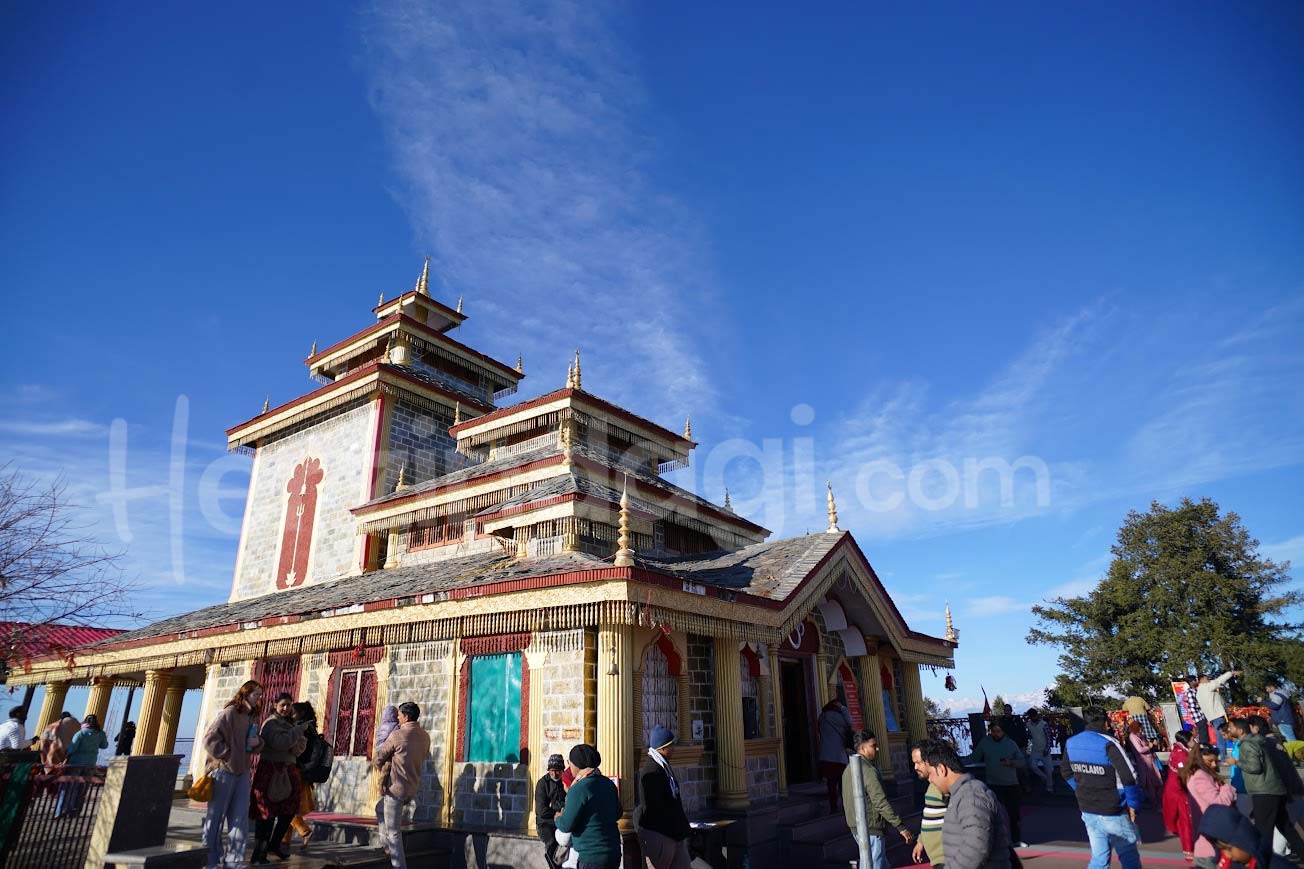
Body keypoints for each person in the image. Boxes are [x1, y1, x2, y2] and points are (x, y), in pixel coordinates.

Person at [1062, 706, 1143, 869]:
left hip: (1087, 808)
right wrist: (1133, 804)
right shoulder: (1109, 743)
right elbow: (1129, 776)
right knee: (1128, 856)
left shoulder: (1071, 743)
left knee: (1099, 858)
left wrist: (1080, 789)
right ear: (1105, 722)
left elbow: (1065, 772)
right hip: (1112, 808)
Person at [202, 679, 263, 869]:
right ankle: (210, 859)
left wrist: (257, 744)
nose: (258, 698)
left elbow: (254, 743)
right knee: (215, 818)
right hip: (223, 771)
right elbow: (209, 739)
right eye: (256, 694)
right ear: (245, 694)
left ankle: (234, 860)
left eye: (260, 695)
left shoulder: (252, 717)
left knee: (239, 818)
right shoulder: (229, 713)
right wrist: (227, 755)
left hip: (242, 772)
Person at [922, 741, 1011, 869]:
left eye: (930, 773)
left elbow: (976, 847)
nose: (930, 780)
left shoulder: (971, 795)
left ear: (941, 769)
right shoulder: (960, 794)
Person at [1226, 717, 1304, 862]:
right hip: (1274, 789)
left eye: (1231, 727)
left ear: (1240, 730)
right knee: (1285, 827)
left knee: (1263, 831)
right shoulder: (1260, 741)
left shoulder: (1247, 744)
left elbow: (1255, 767)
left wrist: (1236, 762)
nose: (1229, 730)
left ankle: (1262, 861)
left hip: (1264, 791)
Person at [841, 730, 913, 869]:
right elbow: (880, 802)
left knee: (878, 862)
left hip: (857, 824)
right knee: (874, 863)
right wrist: (900, 826)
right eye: (873, 746)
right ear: (863, 748)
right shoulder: (868, 770)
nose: (877, 749)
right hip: (870, 826)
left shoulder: (848, 768)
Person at [249, 692, 307, 863]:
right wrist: (296, 733)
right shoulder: (270, 724)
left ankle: (275, 843)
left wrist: (294, 737)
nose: (286, 708)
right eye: (283, 705)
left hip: (288, 770)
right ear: (275, 705)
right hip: (271, 771)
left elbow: (298, 748)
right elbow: (281, 744)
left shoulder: (289, 724)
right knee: (266, 812)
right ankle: (259, 852)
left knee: (289, 810)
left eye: (288, 705)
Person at [373, 701, 431, 869]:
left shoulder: (397, 735)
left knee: (393, 833)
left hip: (395, 789)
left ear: (406, 716)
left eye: (399, 714)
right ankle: (386, 847)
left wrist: (379, 762)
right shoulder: (425, 736)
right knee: (379, 809)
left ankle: (399, 865)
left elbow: (379, 758)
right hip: (412, 787)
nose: (398, 717)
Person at [554, 743, 622, 869]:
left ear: (577, 764)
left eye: (570, 762)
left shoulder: (579, 789)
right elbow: (618, 813)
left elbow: (566, 825)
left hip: (591, 855)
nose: (569, 766)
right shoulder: (608, 784)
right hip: (613, 852)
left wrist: (558, 818)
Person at [634, 726, 690, 869]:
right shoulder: (652, 771)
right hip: (660, 834)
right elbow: (654, 806)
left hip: (674, 833)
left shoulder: (664, 766)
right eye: (671, 745)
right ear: (663, 747)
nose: (673, 749)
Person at [969, 722, 1026, 848]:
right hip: (993, 784)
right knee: (994, 815)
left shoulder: (1011, 744)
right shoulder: (985, 743)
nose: (995, 734)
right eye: (993, 731)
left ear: (1003, 732)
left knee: (1014, 814)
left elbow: (1022, 761)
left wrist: (1011, 762)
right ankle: (996, 841)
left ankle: (1016, 840)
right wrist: (956, 762)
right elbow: (974, 757)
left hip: (1011, 784)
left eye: (998, 731)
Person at [1184, 743, 1237, 869]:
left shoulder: (1201, 774)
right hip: (1210, 844)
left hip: (1211, 839)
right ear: (1199, 759)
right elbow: (1219, 804)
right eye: (1210, 761)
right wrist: (1227, 788)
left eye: (1216, 761)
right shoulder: (1200, 777)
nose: (1214, 764)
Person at [1198, 804, 1295, 869]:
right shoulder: (1232, 864)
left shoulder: (1277, 865)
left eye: (1229, 849)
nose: (1227, 855)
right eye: (1222, 849)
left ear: (1243, 841)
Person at [55, 713, 108, 817]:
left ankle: (60, 811)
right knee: (82, 789)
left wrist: (64, 753)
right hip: (90, 764)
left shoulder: (80, 733)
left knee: (68, 787)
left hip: (75, 763)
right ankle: (74, 811)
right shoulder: (100, 734)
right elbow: (104, 745)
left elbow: (72, 748)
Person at [289, 701, 323, 848]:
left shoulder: (301, 729)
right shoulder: (311, 728)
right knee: (292, 806)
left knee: (287, 806)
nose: (290, 714)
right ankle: (283, 842)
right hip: (304, 771)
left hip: (297, 769)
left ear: (301, 714)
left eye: (293, 712)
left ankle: (304, 831)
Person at [911, 740, 948, 869]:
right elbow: (929, 818)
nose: (915, 767)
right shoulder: (932, 787)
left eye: (918, 763)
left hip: (946, 856)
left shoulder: (943, 786)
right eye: (914, 763)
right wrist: (921, 842)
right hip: (937, 858)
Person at [817, 698, 854, 814]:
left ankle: (833, 807)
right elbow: (850, 722)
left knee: (831, 783)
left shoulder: (822, 717)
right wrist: (843, 708)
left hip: (826, 755)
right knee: (843, 783)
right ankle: (846, 805)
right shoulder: (838, 717)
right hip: (838, 755)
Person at [1164, 731, 1195, 862]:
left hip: (1174, 789)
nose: (1194, 742)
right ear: (1186, 740)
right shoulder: (1181, 754)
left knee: (1181, 820)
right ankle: (1188, 849)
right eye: (1192, 739)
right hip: (1179, 791)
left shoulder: (1177, 750)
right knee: (1185, 820)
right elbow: (1184, 773)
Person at [371, 704, 400, 848]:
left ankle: (386, 844)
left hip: (380, 757)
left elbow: (379, 742)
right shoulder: (396, 728)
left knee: (383, 808)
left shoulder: (382, 726)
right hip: (389, 760)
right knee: (385, 809)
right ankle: (387, 844)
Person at [536, 754, 568, 869]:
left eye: (557, 771)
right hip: (545, 823)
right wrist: (556, 812)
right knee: (551, 841)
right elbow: (541, 810)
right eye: (551, 771)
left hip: (562, 820)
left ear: (562, 770)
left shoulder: (565, 782)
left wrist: (553, 805)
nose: (554, 774)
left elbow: (569, 802)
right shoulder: (542, 783)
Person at [1198, 672, 1241, 757]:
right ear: (1202, 679)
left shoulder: (1199, 692)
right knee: (1223, 735)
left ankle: (1226, 755)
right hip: (1218, 715)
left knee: (1221, 735)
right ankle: (1224, 756)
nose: (1209, 679)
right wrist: (1231, 673)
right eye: (1207, 678)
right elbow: (1218, 681)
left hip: (1212, 717)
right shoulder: (1206, 686)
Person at [1127, 720, 1163, 808]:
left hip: (1150, 761)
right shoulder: (1132, 737)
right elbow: (1139, 749)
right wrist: (1149, 747)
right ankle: (1154, 803)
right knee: (1150, 783)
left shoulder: (1140, 736)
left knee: (1157, 781)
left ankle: (1159, 800)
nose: (1141, 730)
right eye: (1140, 728)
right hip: (1144, 763)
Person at [1026, 709, 1054, 794]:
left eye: (1033, 716)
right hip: (1035, 749)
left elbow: (1048, 737)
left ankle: (1049, 787)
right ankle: (1044, 777)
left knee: (1049, 770)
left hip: (1044, 749)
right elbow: (1030, 736)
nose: (1033, 718)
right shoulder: (1028, 724)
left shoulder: (1044, 724)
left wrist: (1047, 749)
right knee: (1033, 766)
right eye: (1031, 716)